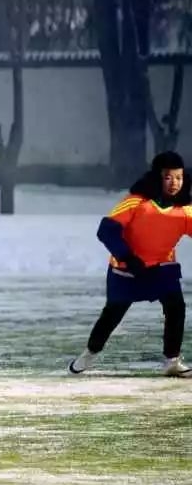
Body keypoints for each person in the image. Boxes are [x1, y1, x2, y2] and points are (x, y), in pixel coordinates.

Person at [70, 152, 192, 378]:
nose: (174, 183)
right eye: (168, 177)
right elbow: (106, 230)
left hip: (162, 268)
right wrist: (127, 256)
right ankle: (90, 352)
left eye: (179, 177)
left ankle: (172, 361)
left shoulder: (184, 211)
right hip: (125, 270)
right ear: (157, 177)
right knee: (113, 314)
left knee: (176, 306)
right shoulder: (135, 202)